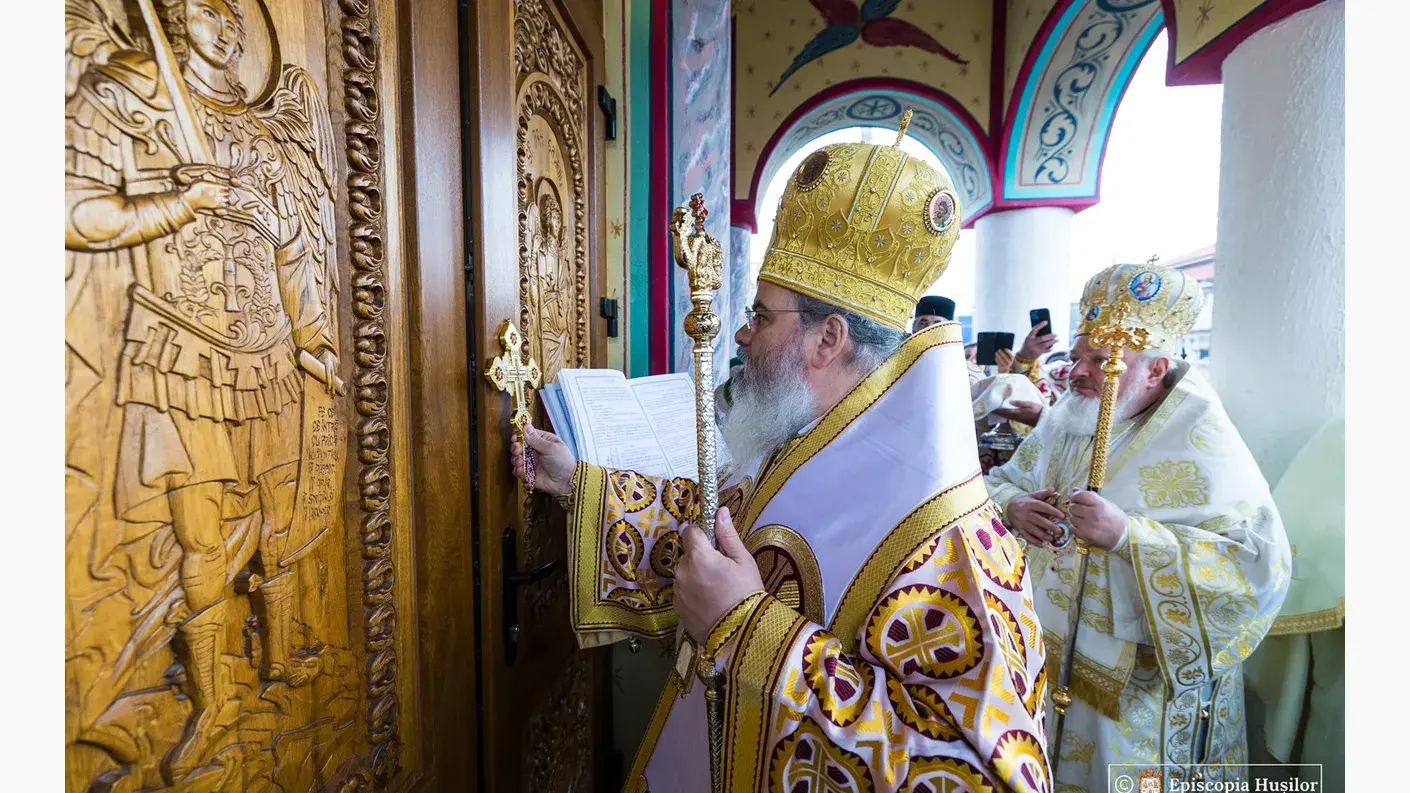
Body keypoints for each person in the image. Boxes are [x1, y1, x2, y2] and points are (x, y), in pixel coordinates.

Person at [516, 137, 1050, 792]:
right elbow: (717, 528)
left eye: (761, 316)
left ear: (828, 338)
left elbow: (987, 777)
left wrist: (748, 630)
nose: (743, 334)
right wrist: (579, 482)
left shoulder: (950, 535)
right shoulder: (806, 436)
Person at [983, 262, 1291, 788]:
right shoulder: (1070, 417)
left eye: (1101, 361)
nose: (1077, 373)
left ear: (1155, 369)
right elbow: (1001, 481)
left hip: (1134, 694)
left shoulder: (1203, 441)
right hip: (1039, 649)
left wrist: (1129, 536)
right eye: (1077, 357)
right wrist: (1013, 506)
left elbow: (1257, 573)